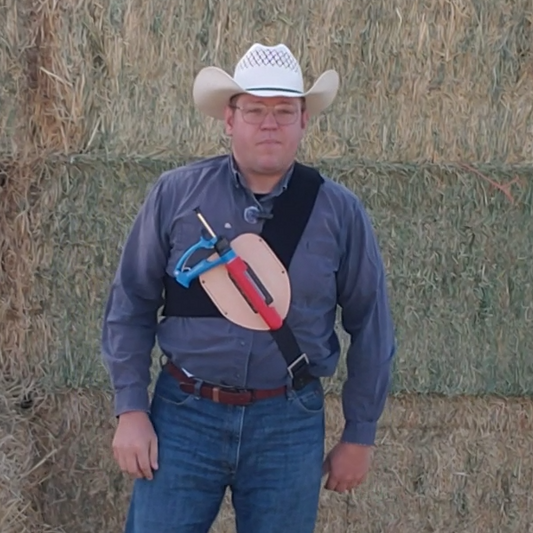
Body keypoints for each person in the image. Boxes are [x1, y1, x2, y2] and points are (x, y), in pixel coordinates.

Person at [101, 42, 396, 533]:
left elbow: (372, 325)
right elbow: (130, 303)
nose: (269, 123)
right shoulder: (175, 194)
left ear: (304, 121)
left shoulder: (339, 212)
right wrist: (130, 409)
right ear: (229, 119)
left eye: (284, 111)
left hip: (288, 422)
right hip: (183, 415)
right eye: (255, 109)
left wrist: (359, 434)